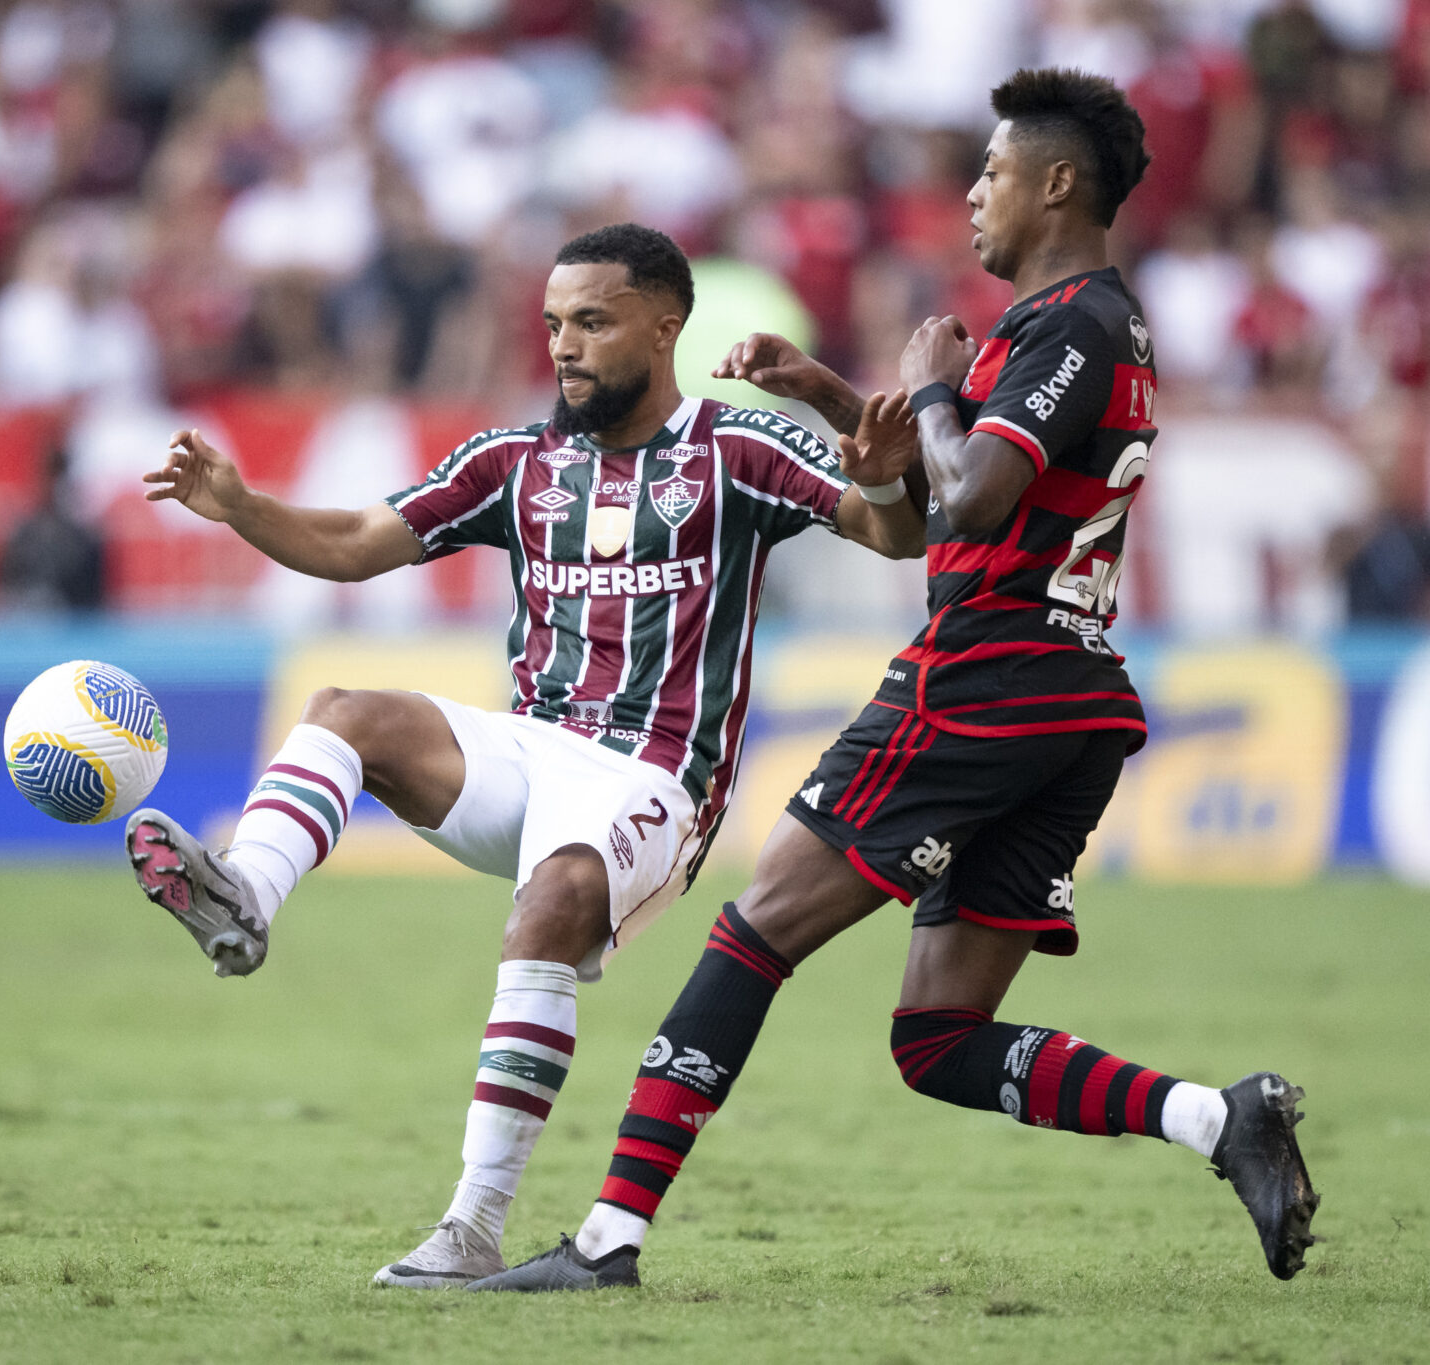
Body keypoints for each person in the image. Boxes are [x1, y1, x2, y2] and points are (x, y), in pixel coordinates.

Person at [470, 68, 1320, 1294]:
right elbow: (932, 495)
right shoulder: (1065, 332)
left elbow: (971, 488)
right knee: (936, 1038)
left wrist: (928, 378)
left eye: (989, 172)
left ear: (1056, 184)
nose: (972, 194)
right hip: (1067, 700)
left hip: (980, 679)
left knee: (750, 937)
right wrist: (823, 390)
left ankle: (606, 1241)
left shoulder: (1072, 323)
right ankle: (1217, 1119)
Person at [125, 222, 929, 1287]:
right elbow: (358, 545)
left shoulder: (733, 450)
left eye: (592, 322)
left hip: (656, 777)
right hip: (534, 751)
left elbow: (895, 537)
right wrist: (238, 507)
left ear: (663, 325)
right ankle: (244, 902)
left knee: (548, 905)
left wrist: (877, 483)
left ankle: (468, 1229)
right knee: (342, 708)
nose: (564, 346)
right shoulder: (514, 462)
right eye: (553, 324)